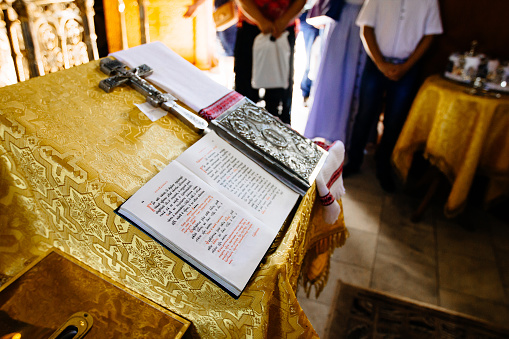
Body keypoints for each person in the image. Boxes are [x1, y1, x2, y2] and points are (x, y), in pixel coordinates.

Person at [343, 0, 443, 192]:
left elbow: (430, 36)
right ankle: (353, 162)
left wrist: (406, 66)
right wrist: (380, 63)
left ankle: (383, 167)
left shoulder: (430, 1)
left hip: (407, 67)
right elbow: (366, 28)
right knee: (364, 114)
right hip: (376, 63)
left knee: (394, 121)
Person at [304, 0, 366, 146]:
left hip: (367, 19)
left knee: (357, 81)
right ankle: (327, 132)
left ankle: (351, 138)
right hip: (342, 19)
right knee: (332, 79)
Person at [234, 0, 306, 124]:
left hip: (284, 28)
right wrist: (261, 20)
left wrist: (283, 21)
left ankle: (278, 129)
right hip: (250, 27)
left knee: (279, 91)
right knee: (245, 89)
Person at [298, 8, 320, 106]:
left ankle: (310, 91)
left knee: (316, 59)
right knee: (311, 59)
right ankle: (306, 91)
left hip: (324, 16)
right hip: (310, 16)